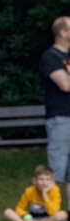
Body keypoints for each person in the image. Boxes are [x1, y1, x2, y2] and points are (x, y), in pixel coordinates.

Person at [40, 16, 70, 207]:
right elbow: (65, 84)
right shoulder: (50, 57)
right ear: (63, 32)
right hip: (60, 119)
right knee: (57, 170)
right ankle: (50, 212)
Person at [3, 165, 68, 221]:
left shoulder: (55, 191)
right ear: (35, 180)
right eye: (41, 179)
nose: (44, 182)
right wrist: (27, 217)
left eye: (47, 179)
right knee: (7, 212)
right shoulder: (30, 191)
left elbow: (54, 212)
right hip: (32, 219)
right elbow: (19, 208)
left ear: (52, 181)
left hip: (46, 220)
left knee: (62, 214)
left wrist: (45, 196)